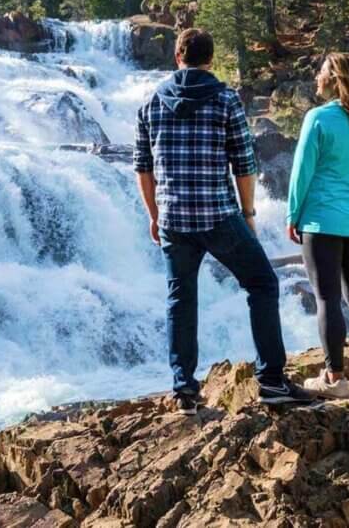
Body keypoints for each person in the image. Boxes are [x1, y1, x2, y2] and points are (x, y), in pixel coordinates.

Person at [134, 28, 312, 415]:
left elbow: (142, 168)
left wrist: (154, 215)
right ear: (210, 60)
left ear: (177, 57)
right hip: (217, 215)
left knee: (180, 299)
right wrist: (249, 215)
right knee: (262, 283)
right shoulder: (225, 99)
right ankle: (272, 381)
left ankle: (184, 390)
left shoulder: (150, 102)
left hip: (174, 220)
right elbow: (244, 164)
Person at [286, 52, 349, 400]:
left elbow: (302, 172)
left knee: (327, 298)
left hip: (321, 221)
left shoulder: (318, 118)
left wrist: (293, 214)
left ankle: (335, 378)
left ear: (335, 79)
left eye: (322, 72)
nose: (317, 76)